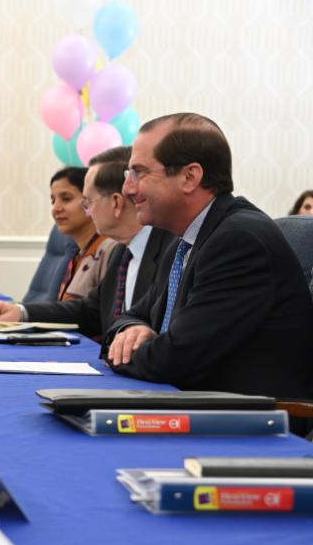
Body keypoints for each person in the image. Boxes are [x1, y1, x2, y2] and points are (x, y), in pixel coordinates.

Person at [107, 113, 313, 400]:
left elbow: (175, 360)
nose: (128, 188)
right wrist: (133, 329)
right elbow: (130, 316)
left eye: (139, 173)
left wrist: (121, 353)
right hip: (199, 406)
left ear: (190, 177)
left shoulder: (239, 241)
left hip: (248, 426)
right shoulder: (185, 241)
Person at [0, 147, 174, 340]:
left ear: (116, 203)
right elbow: (90, 311)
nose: (88, 212)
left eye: (88, 202)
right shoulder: (123, 252)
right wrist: (21, 312)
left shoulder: (171, 253)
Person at [48, 166, 117, 301]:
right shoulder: (78, 255)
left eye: (66, 198)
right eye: (53, 201)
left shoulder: (110, 249)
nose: (56, 208)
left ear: (89, 201)